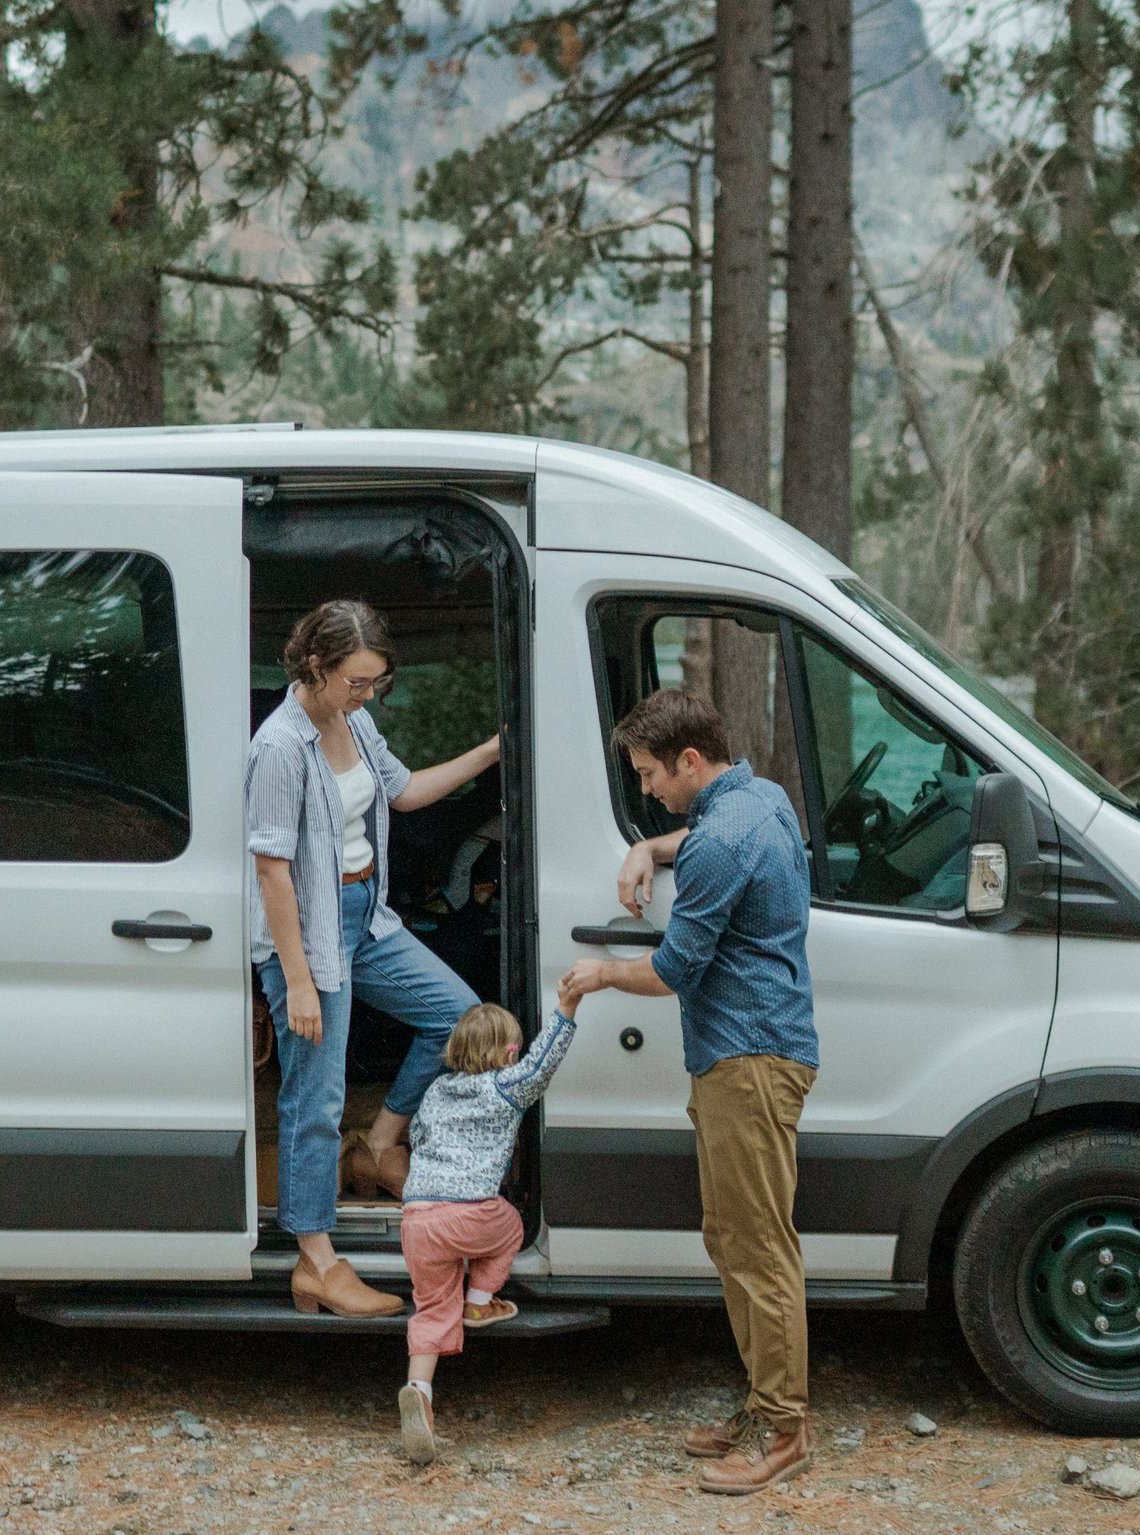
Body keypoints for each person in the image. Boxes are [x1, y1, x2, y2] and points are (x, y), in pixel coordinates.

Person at [561, 688, 821, 1496]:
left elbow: (674, 969)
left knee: (758, 1245)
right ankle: (764, 1403)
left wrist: (601, 972)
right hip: (754, 1052)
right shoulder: (760, 797)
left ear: (691, 761)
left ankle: (784, 1429)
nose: (646, 791)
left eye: (649, 776)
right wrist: (655, 848)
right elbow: (706, 834)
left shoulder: (718, 842)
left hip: (745, 1058)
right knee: (733, 1235)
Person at [248, 599, 503, 1318]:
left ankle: (380, 1142)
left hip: (367, 916)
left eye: (374, 683)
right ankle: (316, 1261)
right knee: (314, 1100)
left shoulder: (354, 722)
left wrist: (491, 751)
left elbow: (405, 790)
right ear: (315, 666)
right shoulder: (279, 746)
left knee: (458, 1016)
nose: (367, 695)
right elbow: (272, 871)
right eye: (357, 681)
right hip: (308, 932)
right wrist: (296, 978)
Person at [393, 984, 584, 1463]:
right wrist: (566, 1010)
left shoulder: (436, 1090)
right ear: (510, 1051)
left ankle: (420, 1390)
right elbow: (543, 1064)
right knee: (514, 1225)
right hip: (473, 1212)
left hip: (417, 1216)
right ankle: (479, 1301)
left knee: (432, 1307)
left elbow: (416, 1135)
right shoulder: (505, 1086)